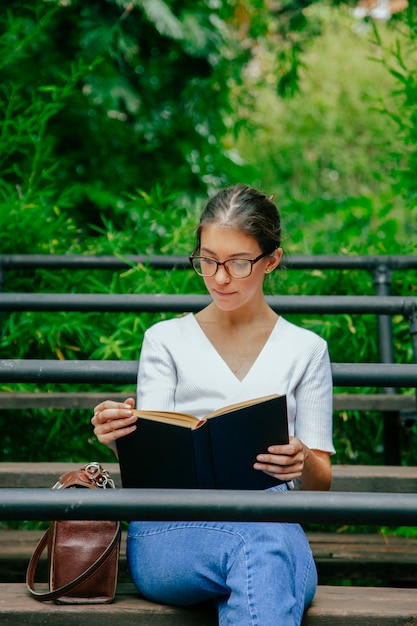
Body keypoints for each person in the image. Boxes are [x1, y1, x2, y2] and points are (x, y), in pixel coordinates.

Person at [92, 184, 335, 625]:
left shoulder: (307, 350)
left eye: (239, 263)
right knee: (264, 551)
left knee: (261, 553)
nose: (220, 277)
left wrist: (301, 460)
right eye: (207, 260)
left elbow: (320, 485)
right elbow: (153, 469)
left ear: (271, 260)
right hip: (171, 530)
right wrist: (120, 438)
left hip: (272, 523)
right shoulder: (165, 340)